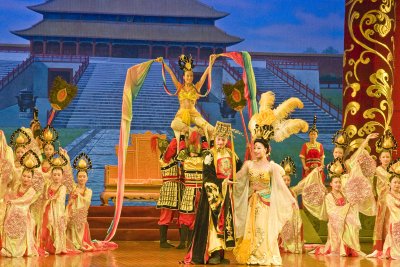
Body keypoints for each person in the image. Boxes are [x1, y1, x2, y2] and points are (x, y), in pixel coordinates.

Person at [233, 91, 307, 265]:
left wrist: (291, 200)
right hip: (253, 202)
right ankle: (254, 254)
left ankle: (264, 255)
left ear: (266, 150)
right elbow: (238, 180)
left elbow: (281, 186)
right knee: (253, 229)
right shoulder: (248, 165)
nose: (256, 150)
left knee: (265, 229)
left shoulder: (272, 167)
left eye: (259, 148)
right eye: (254, 147)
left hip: (267, 203)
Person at [304, 133, 378, 256]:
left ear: (343, 154)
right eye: (336, 153)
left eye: (340, 153)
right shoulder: (330, 166)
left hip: (349, 199)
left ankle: (351, 247)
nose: (338, 155)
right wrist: (316, 173)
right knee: (337, 221)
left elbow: (359, 152)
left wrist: (367, 139)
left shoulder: (348, 163)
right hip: (336, 201)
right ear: (333, 153)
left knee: (352, 223)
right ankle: (339, 247)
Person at [184, 121, 241, 265]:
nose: (221, 142)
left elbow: (239, 168)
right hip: (213, 195)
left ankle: (221, 253)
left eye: (223, 139)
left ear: (227, 140)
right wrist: (222, 183)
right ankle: (213, 252)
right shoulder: (209, 155)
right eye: (218, 139)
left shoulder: (231, 153)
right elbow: (207, 177)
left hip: (227, 192)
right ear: (214, 139)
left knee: (226, 222)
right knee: (214, 224)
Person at [155, 55, 216, 143]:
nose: (189, 78)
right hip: (181, 113)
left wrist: (211, 62)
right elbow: (171, 73)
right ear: (183, 77)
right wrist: (163, 63)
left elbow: (205, 74)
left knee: (210, 128)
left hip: (193, 113)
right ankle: (194, 131)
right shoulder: (179, 87)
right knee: (173, 124)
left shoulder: (196, 88)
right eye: (187, 76)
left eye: (191, 76)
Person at [1, 150, 43, 257]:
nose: (26, 178)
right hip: (14, 209)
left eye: (29, 177)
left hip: (24, 211)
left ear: (32, 178)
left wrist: (13, 201)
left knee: (18, 219)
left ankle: (18, 250)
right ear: (21, 176)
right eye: (24, 176)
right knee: (8, 217)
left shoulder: (32, 190)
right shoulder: (17, 185)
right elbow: (11, 195)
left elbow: (25, 200)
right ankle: (9, 248)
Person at [176, 128, 208, 249]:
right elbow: (206, 150)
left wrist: (183, 136)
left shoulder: (186, 159)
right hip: (200, 190)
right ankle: (190, 242)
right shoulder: (202, 159)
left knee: (185, 215)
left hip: (189, 191)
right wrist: (204, 137)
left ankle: (184, 242)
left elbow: (182, 150)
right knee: (194, 217)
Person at [368, 129, 397, 257]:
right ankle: (378, 248)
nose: (386, 159)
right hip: (382, 200)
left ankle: (391, 246)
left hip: (393, 201)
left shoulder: (394, 170)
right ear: (380, 158)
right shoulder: (378, 169)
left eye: (388, 157)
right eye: (383, 157)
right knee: (380, 223)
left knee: (390, 222)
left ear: (391, 158)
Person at [150, 135, 181, 248]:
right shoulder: (165, 157)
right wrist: (176, 136)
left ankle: (183, 241)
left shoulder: (172, 158)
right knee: (166, 215)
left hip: (177, 188)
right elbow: (172, 148)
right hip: (169, 189)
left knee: (180, 215)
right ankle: (163, 242)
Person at [66, 152, 94, 251]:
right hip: (72, 212)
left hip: (81, 214)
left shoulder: (89, 191)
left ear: (87, 178)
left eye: (83, 176)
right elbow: (68, 176)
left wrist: (79, 196)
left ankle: (79, 243)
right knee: (70, 226)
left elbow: (87, 202)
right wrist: (66, 158)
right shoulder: (73, 187)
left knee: (79, 226)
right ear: (77, 178)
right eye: (80, 176)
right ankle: (72, 244)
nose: (81, 178)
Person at [279, 156, 304, 254]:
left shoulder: (293, 191)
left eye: (288, 180)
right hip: (282, 216)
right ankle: (283, 245)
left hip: (292, 216)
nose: (286, 182)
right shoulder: (278, 192)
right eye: (284, 180)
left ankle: (293, 244)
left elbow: (302, 185)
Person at [379, 159, 400, 259]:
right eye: (395, 182)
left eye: (399, 183)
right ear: (390, 184)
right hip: (395, 219)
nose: (397, 185)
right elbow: (394, 209)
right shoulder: (388, 195)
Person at [299, 116, 325, 180]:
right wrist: (304, 166)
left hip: (318, 167)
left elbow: (322, 157)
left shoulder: (320, 145)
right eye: (311, 134)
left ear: (317, 135)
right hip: (308, 166)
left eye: (314, 134)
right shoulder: (305, 145)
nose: (313, 136)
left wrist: (322, 165)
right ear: (309, 135)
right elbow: (302, 157)